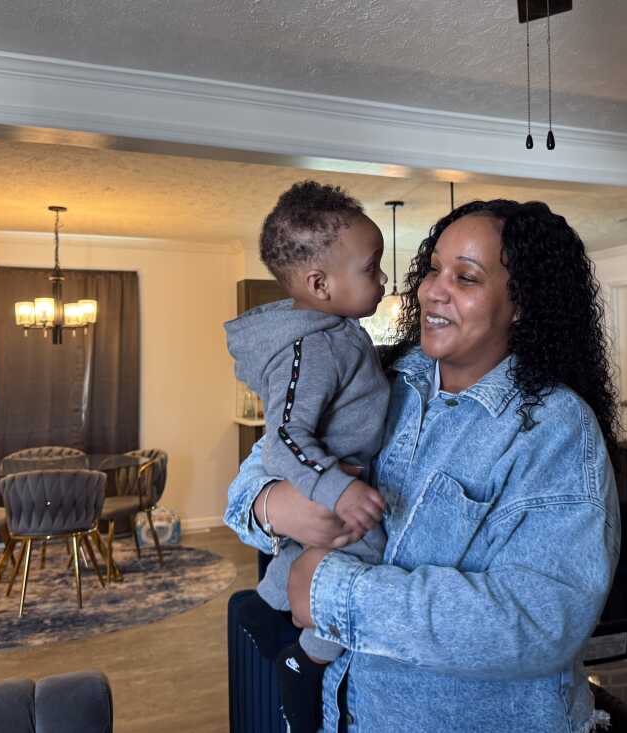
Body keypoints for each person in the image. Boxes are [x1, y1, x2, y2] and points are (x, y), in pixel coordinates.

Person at [225, 198, 621, 732]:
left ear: (521, 303)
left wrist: (333, 592)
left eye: (467, 277)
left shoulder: (553, 429)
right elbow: (256, 472)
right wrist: (277, 505)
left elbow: (542, 623)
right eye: (433, 267)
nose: (433, 289)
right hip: (345, 714)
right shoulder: (381, 375)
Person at [224, 181, 390, 732]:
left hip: (339, 486)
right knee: (359, 567)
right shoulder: (312, 347)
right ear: (320, 283)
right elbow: (285, 440)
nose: (384, 280)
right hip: (337, 488)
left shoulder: (339, 333)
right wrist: (334, 489)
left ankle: (285, 614)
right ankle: (304, 660)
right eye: (372, 268)